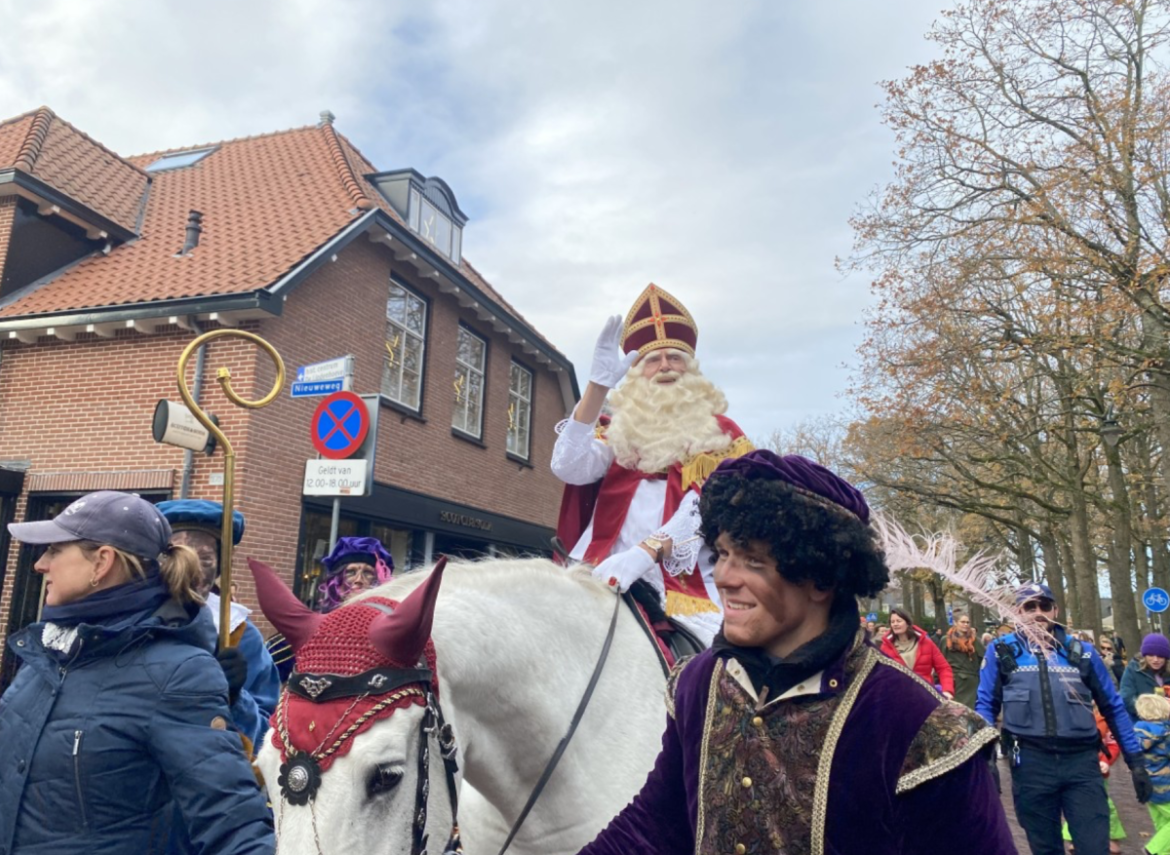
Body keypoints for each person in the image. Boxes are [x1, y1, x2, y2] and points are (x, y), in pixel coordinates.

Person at [578, 451, 1015, 854]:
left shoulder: (918, 724)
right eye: (723, 553)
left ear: (820, 579)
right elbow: (656, 825)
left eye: (752, 560)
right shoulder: (699, 683)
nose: (725, 577)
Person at [0, 491, 273, 854]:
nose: (39, 564)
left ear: (102, 562)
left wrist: (237, 699)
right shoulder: (49, 653)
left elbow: (233, 822)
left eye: (54, 550)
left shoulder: (178, 673)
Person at [553, 284, 753, 644]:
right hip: (598, 573)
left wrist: (645, 554)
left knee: (723, 670)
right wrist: (597, 388)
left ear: (690, 368)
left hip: (685, 590)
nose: (664, 366)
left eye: (675, 357)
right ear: (636, 371)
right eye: (652, 359)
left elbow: (708, 506)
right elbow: (568, 467)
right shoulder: (617, 429)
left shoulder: (721, 434)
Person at [976, 582, 1151, 855]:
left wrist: (1136, 761)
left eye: (1044, 605)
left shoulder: (1082, 652)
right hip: (1031, 763)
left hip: (1081, 764)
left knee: (1094, 847)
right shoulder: (1001, 652)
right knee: (1045, 849)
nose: (1038, 613)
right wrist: (984, 757)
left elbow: (1113, 707)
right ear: (1017, 612)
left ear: (1055, 610)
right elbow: (986, 705)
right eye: (1029, 607)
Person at [157, 499, 281, 750]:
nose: (191, 572)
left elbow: (269, 740)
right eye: (180, 556)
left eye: (204, 559)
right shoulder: (126, 618)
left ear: (219, 569)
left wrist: (236, 698)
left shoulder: (240, 635)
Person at [1059, 704, 1127, 854]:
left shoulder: (1106, 717)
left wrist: (1106, 761)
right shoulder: (1067, 711)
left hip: (1097, 770)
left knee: (1104, 803)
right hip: (1073, 766)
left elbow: (1113, 745)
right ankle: (1075, 838)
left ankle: (1110, 837)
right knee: (1075, 803)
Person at [880, 607, 955, 699]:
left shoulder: (926, 643)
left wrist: (947, 690)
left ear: (907, 623)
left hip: (925, 697)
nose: (895, 624)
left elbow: (944, 668)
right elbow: (880, 676)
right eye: (892, 622)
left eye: (899, 621)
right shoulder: (886, 647)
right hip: (898, 699)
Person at [1135, 693, 1170, 855]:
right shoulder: (1167, 734)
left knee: (1162, 825)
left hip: (1146, 785)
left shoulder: (1137, 731)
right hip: (1167, 785)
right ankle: (1152, 849)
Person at [1122, 633, 1170, 722]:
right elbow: (1127, 698)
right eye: (1151, 655)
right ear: (1145, 656)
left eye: (1160, 656)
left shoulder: (1167, 673)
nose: (1155, 659)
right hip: (1141, 724)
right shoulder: (1133, 670)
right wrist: (1151, 712)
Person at [943, 610, 984, 708]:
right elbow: (941, 662)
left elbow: (983, 660)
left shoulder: (975, 641)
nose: (965, 624)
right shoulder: (946, 640)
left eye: (967, 622)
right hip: (953, 682)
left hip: (971, 683)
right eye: (962, 622)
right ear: (955, 622)